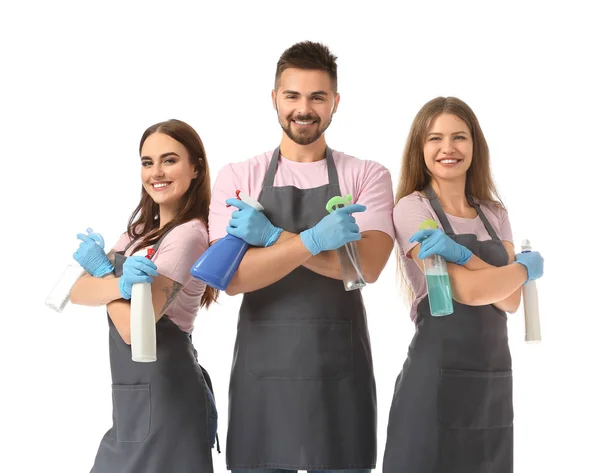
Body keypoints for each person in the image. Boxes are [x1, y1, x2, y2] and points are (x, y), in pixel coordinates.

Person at [208, 41, 394, 473]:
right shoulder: (240, 177)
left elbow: (365, 268)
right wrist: (315, 241)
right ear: (275, 99)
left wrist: (272, 239)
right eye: (292, 95)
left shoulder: (366, 175)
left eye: (317, 97)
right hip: (263, 378)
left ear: (335, 102)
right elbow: (232, 279)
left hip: (339, 377)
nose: (304, 108)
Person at [382, 97, 545, 473]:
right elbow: (465, 292)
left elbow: (509, 302)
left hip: (491, 388)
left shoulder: (494, 214)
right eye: (435, 138)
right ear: (419, 149)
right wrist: (521, 270)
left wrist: (461, 255)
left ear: (475, 145)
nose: (448, 148)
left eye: (459, 137)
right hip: (433, 380)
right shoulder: (412, 209)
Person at [70, 119, 220, 473]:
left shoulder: (189, 236)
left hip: (168, 394)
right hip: (132, 398)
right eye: (147, 162)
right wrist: (118, 287)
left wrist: (106, 276)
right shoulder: (138, 233)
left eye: (169, 160)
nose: (156, 172)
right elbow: (77, 291)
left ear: (196, 168)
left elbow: (132, 330)